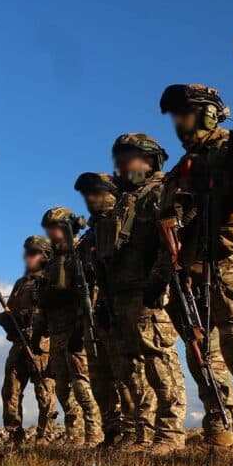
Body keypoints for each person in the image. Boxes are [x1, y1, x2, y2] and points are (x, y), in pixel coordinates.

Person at [156, 84, 233, 453]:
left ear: (211, 113)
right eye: (175, 116)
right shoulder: (183, 170)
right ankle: (221, 430)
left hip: (229, 264)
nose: (179, 123)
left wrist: (227, 245)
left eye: (186, 113)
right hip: (194, 271)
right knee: (203, 356)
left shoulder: (232, 149)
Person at [96, 133, 187, 453]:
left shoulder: (159, 192)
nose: (122, 164)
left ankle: (170, 433)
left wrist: (158, 283)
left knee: (159, 361)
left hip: (147, 291)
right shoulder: (126, 200)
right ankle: (142, 433)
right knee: (131, 368)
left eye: (130, 157)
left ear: (150, 160)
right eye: (119, 157)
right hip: (122, 295)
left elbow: (171, 243)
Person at [74, 172, 138, 447]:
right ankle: (112, 432)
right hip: (96, 315)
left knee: (128, 374)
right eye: (86, 193)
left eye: (96, 191)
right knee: (100, 378)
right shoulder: (89, 237)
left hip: (121, 310)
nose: (90, 198)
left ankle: (135, 430)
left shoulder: (127, 222)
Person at [39, 207, 103, 447]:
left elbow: (90, 289)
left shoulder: (81, 251)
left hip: (77, 328)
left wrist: (83, 325)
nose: (51, 233)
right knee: (63, 389)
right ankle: (74, 435)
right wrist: (40, 330)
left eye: (54, 227)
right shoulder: (53, 261)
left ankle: (94, 433)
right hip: (56, 331)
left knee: (82, 385)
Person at [0, 236, 57, 445]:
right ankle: (14, 434)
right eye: (27, 252)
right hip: (19, 343)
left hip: (42, 346)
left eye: (32, 253)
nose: (27, 257)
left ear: (45, 255)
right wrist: (7, 320)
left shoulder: (53, 280)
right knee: (10, 390)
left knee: (45, 392)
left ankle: (45, 436)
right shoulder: (21, 283)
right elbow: (12, 310)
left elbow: (58, 313)